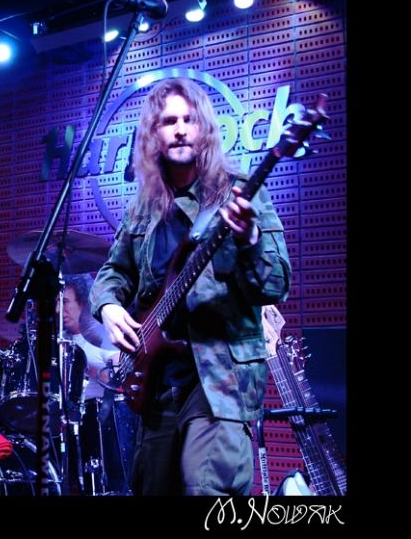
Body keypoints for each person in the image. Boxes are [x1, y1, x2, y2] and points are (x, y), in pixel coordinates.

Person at [89, 78, 291, 496]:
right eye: (169, 121)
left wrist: (250, 240)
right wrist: (108, 306)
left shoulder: (240, 192)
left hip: (221, 379)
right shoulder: (143, 207)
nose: (180, 129)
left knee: (205, 487)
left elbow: (276, 284)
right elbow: (114, 271)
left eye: (189, 119)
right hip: (157, 380)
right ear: (153, 134)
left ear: (204, 129)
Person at [59, 273, 129, 495]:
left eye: (65, 302)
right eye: (57, 303)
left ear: (83, 302)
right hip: (66, 424)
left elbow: (122, 379)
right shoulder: (59, 341)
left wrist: (97, 371)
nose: (59, 310)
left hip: (101, 424)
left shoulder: (101, 337)